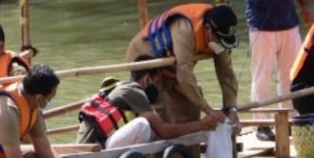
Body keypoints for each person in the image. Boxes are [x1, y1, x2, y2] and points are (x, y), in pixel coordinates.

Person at [233, 0, 312, 140]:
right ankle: (263, 124)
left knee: (291, 75)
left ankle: (289, 119)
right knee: (262, 76)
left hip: (288, 20)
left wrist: (304, 5)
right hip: (262, 23)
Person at [124, 3, 240, 125]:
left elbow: (226, 73)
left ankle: (190, 143)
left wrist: (231, 108)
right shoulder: (185, 29)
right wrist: (209, 110)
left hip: (173, 63)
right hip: (146, 58)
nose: (222, 45)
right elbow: (185, 75)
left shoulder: (221, 35)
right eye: (219, 40)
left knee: (191, 110)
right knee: (164, 113)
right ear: (207, 29)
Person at [76, 57, 219, 148]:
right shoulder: (134, 91)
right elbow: (163, 131)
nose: (158, 89)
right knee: (143, 127)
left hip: (94, 155)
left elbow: (158, 136)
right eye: (157, 82)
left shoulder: (122, 90)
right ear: (146, 80)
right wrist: (201, 124)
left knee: (150, 131)